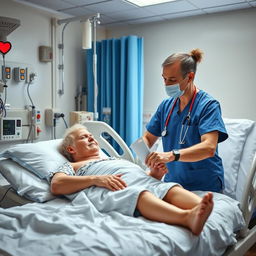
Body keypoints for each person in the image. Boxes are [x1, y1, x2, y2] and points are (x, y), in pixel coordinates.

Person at [50, 124, 213, 236]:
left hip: (140, 181)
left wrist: (154, 174)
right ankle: (186, 218)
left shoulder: (110, 158)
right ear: (71, 148)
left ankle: (201, 209)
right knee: (139, 194)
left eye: (91, 136)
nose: (92, 138)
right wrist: (96, 179)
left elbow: (137, 178)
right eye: (84, 137)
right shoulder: (73, 166)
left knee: (168, 188)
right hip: (116, 189)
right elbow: (57, 185)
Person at [143, 49, 228, 192]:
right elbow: (147, 137)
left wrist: (170, 156)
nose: (167, 84)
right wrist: (148, 157)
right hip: (173, 184)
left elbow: (209, 148)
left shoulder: (208, 105)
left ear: (190, 77)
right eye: (164, 78)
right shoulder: (166, 106)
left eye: (172, 80)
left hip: (204, 185)